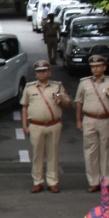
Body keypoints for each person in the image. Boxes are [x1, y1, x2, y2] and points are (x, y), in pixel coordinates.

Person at [75, 54, 109, 191]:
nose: (95, 69)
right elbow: (78, 102)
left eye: (98, 66)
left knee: (106, 151)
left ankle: (106, 182)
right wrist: (78, 120)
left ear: (104, 67)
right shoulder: (84, 83)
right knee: (90, 152)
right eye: (93, 67)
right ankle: (93, 181)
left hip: (106, 119)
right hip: (89, 119)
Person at [21, 60, 71, 193]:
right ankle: (37, 181)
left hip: (54, 124)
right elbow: (25, 107)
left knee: (53, 154)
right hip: (36, 125)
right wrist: (25, 125)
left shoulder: (57, 86)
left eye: (44, 71)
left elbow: (68, 104)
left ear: (49, 72)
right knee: (37, 154)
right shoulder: (29, 87)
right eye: (38, 72)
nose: (41, 74)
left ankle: (52, 181)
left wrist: (61, 100)